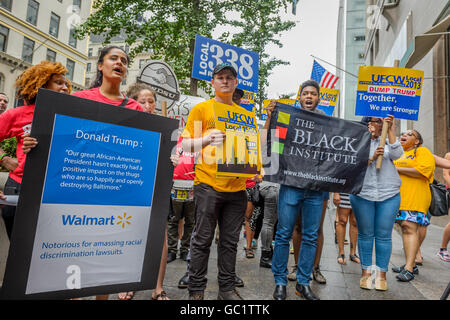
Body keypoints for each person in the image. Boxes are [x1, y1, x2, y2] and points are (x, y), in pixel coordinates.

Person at [181, 62, 257, 300]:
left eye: (230, 78)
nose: (225, 81)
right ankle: (196, 291)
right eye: (220, 77)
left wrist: (256, 169)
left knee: (230, 242)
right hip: (208, 185)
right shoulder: (202, 109)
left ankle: (226, 289)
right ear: (212, 83)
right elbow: (184, 145)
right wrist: (205, 139)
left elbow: (252, 148)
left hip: (237, 188)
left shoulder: (247, 115)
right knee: (202, 240)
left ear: (236, 83)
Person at [266, 80, 327, 301]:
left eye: (313, 93)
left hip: (316, 188)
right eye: (305, 93)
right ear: (299, 98)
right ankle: (280, 282)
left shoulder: (327, 122)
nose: (309, 96)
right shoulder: (287, 117)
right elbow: (271, 141)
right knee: (283, 233)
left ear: (319, 98)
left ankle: (303, 282)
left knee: (310, 235)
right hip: (291, 185)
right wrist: (271, 117)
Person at [0, 61, 71, 239]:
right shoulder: (16, 114)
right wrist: (4, 159)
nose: (65, 87)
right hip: (19, 187)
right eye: (59, 83)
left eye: (66, 84)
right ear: (42, 84)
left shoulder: (70, 116)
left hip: (54, 188)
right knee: (19, 248)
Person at [349, 115, 402, 291]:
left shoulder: (387, 141)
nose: (377, 124)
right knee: (365, 234)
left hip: (389, 193)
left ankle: (381, 275)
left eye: (380, 121)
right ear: (366, 124)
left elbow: (397, 154)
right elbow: (350, 163)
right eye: (373, 121)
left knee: (383, 235)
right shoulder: (356, 140)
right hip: (363, 193)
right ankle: (366, 273)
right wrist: (371, 157)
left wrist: (391, 130)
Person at [392, 130, 435, 282]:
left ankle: (409, 268)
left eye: (410, 134)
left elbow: (423, 171)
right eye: (403, 133)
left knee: (409, 227)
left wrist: (396, 169)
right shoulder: (400, 153)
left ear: (417, 141)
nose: (404, 135)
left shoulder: (422, 151)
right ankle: (410, 265)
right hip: (400, 198)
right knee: (405, 228)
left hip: (416, 197)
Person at [334, 193, 359, 265]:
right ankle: (341, 253)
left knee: (355, 222)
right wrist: (336, 192)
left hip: (359, 192)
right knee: (342, 221)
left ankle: (353, 254)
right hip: (344, 190)